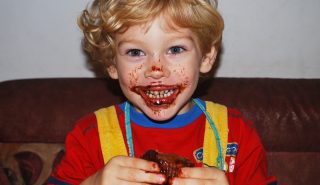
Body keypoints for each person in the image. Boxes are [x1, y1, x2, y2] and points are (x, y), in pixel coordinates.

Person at [48, 0, 277, 184]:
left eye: (175, 49)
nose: (156, 70)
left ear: (206, 57)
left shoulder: (236, 133)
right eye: (136, 52)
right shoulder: (90, 135)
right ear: (111, 64)